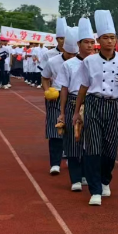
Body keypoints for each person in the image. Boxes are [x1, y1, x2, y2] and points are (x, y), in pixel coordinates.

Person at [73, 10, 118, 206]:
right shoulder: (89, 61)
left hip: (114, 105)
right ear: (99, 40)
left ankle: (105, 179)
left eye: (112, 38)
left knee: (109, 148)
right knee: (93, 147)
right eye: (105, 38)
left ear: (116, 40)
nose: (109, 41)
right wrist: (76, 112)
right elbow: (83, 87)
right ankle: (95, 189)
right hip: (94, 104)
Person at [58, 22, 93, 191]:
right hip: (73, 102)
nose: (90, 45)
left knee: (90, 142)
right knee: (73, 142)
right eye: (86, 42)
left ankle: (87, 174)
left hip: (93, 103)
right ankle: (75, 178)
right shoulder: (68, 65)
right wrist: (62, 113)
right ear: (78, 44)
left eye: (92, 42)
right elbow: (63, 89)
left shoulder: (97, 62)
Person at [41, 24, 75, 176]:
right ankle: (55, 163)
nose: (71, 56)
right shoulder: (53, 61)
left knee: (72, 129)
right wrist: (47, 91)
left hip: (73, 98)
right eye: (69, 53)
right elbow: (45, 77)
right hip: (56, 97)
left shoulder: (81, 62)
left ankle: (70, 156)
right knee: (55, 130)